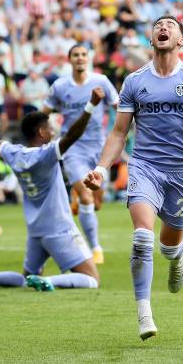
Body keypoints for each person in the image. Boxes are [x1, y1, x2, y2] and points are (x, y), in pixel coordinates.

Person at [83, 15, 183, 340]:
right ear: (151, 39)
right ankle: (144, 314)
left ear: (181, 39)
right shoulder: (134, 81)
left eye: (170, 25)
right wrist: (101, 168)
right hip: (145, 167)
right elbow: (119, 132)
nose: (163, 28)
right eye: (158, 25)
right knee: (142, 238)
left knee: (170, 244)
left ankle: (175, 257)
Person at [0, 88, 104, 292]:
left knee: (26, 277)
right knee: (92, 279)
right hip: (59, 228)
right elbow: (73, 135)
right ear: (41, 133)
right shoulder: (46, 154)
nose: (53, 132)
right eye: (49, 128)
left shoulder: (14, 153)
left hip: (35, 231)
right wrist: (91, 105)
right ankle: (50, 281)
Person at [43, 44, 119, 265]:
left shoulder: (101, 81)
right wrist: (44, 131)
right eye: (76, 55)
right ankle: (95, 248)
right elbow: (43, 112)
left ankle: (79, 199)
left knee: (97, 201)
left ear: (89, 58)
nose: (80, 58)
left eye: (84, 54)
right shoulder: (59, 86)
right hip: (73, 147)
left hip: (99, 147)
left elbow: (118, 106)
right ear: (69, 60)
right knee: (87, 196)